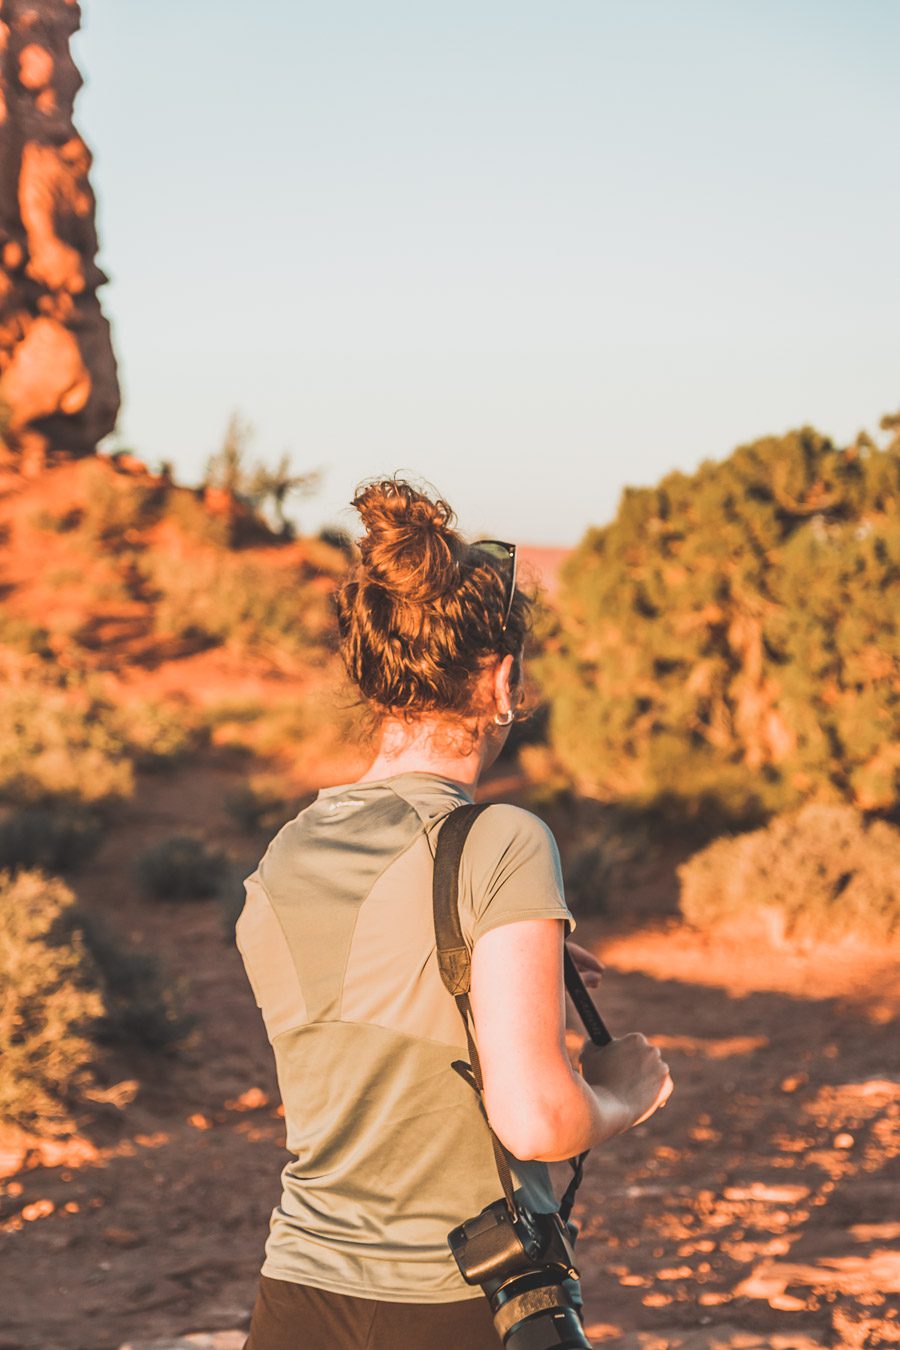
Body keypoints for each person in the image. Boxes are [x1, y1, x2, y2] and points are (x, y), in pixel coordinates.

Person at [236, 478, 672, 1350]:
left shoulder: (283, 855)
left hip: (295, 1298)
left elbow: (367, 1026)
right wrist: (621, 1097)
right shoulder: (501, 838)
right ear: (503, 680)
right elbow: (538, 1118)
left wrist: (494, 973)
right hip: (460, 1301)